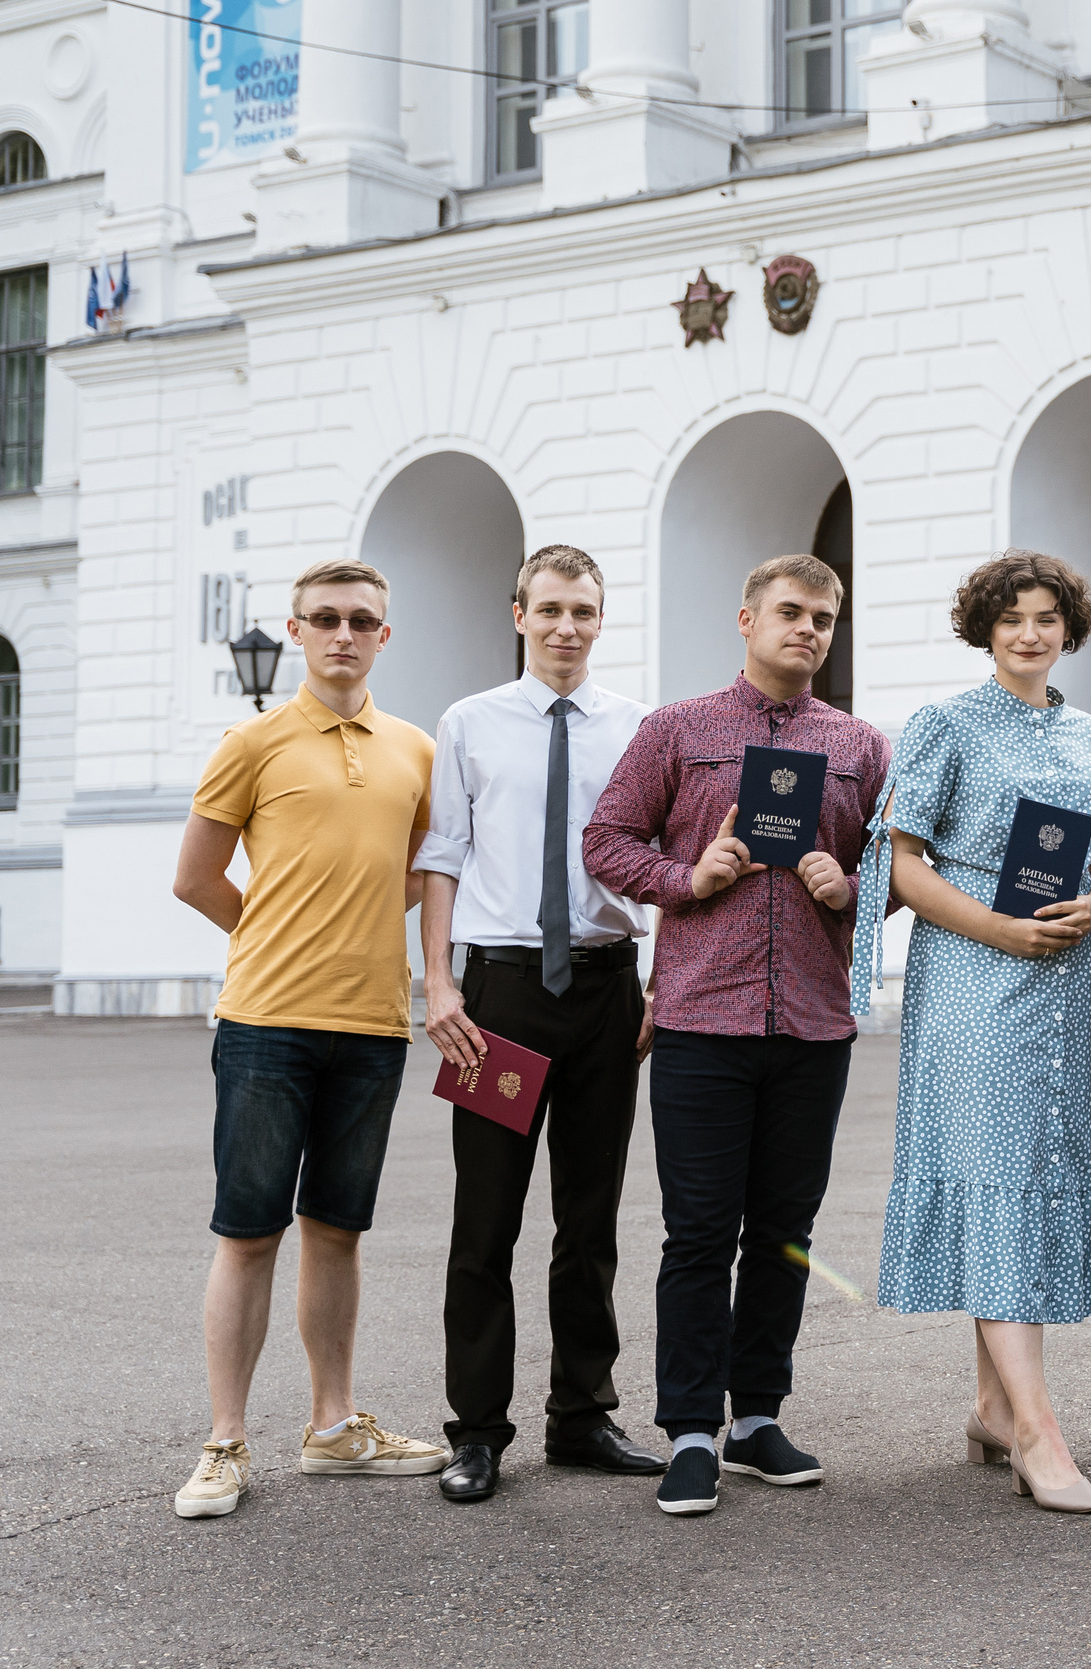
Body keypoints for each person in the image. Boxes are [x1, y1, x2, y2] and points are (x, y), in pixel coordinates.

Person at [848, 551, 1091, 1515]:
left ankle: (989, 1402)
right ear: (985, 627)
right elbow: (900, 861)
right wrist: (1002, 928)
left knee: (1027, 1178)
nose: (1030, 632)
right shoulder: (944, 723)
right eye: (1013, 617)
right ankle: (1035, 1429)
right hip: (976, 979)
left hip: (1070, 982)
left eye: (1047, 618)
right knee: (998, 1174)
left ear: (1069, 628)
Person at [583, 554, 889, 1518]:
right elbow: (607, 839)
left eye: (825, 619)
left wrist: (853, 885)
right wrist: (688, 877)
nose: (808, 630)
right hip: (699, 1021)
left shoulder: (863, 746)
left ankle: (757, 1417)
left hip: (811, 1021)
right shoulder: (675, 729)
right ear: (747, 618)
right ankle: (687, 1429)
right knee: (699, 1232)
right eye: (791, 613)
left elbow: (898, 859)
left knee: (786, 1233)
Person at [167, 557, 449, 1518]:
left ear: (383, 635)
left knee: (338, 1229)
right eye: (323, 618)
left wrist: (353, 922)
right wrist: (279, 931)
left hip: (373, 1024)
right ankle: (223, 1442)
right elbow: (197, 877)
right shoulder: (251, 742)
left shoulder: (415, 749)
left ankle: (333, 1429)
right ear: (294, 631)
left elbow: (416, 873)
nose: (342, 633)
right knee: (248, 1233)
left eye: (361, 620)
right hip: (264, 1025)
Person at [415, 545, 667, 1503]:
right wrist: (438, 983)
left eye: (586, 611)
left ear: (603, 620)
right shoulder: (471, 723)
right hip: (501, 998)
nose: (568, 627)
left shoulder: (640, 728)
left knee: (590, 1219)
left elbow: (658, 861)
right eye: (552, 608)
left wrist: (657, 985)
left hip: (606, 991)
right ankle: (476, 1430)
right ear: (518, 612)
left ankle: (581, 1416)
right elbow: (442, 856)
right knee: (485, 1218)